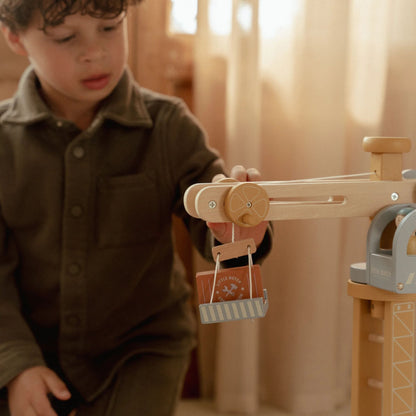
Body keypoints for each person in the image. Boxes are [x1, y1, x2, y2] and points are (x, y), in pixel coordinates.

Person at [0, 1, 272, 415]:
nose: (95, 52)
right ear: (15, 38)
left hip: (143, 349)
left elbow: (219, 217)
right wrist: (16, 366)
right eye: (66, 37)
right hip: (29, 345)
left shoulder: (168, 124)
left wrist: (238, 230)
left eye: (110, 28)